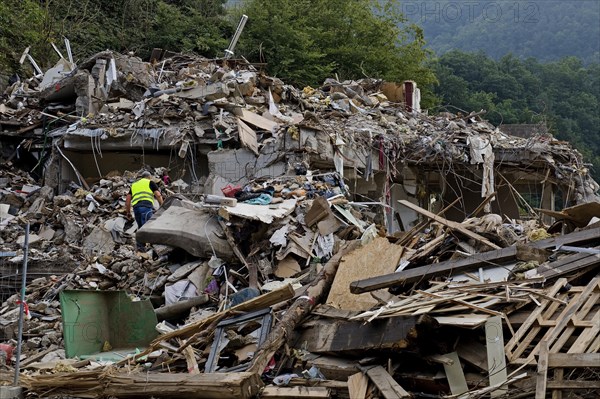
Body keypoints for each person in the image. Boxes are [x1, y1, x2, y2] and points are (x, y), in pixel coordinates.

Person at [125, 171, 164, 249]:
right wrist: (162, 207)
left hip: (136, 209)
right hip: (146, 207)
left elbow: (128, 200)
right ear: (149, 177)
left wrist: (128, 212)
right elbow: (158, 195)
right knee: (148, 227)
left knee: (141, 228)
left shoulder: (134, 185)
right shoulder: (150, 182)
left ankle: (141, 249)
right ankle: (153, 248)